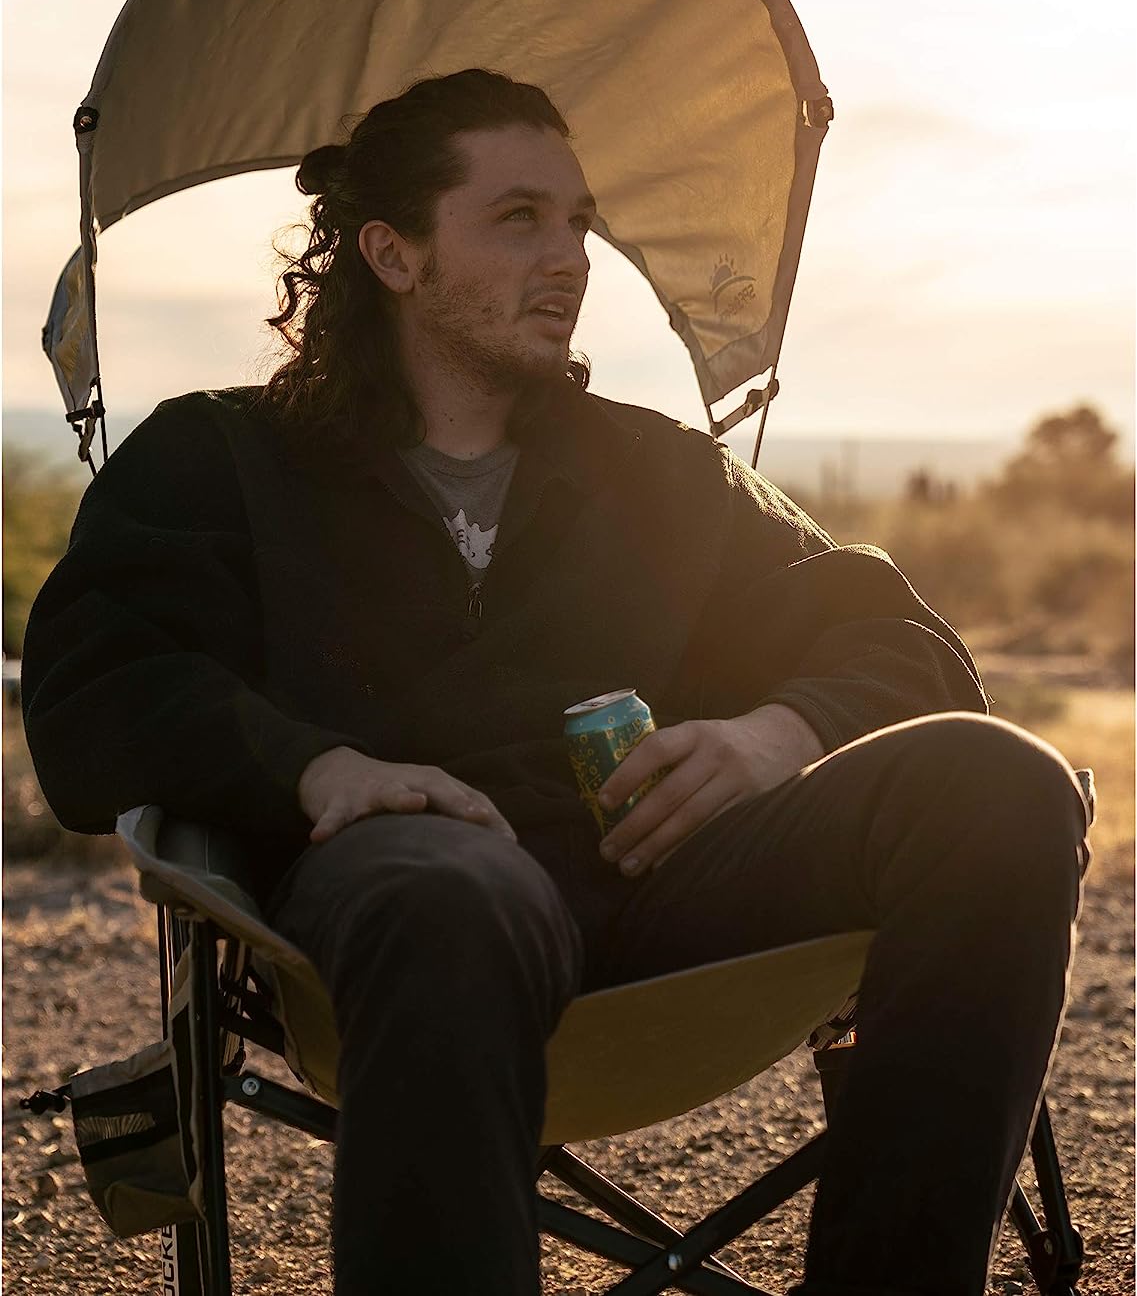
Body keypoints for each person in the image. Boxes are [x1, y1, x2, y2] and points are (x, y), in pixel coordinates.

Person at [22, 69, 1092, 1296]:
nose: (571, 258)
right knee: (446, 893)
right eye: (519, 217)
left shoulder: (658, 475)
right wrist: (316, 768)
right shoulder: (222, 462)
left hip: (669, 894)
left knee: (1002, 786)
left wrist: (775, 734)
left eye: (579, 222)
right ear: (393, 253)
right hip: (402, 899)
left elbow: (905, 641)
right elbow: (95, 685)